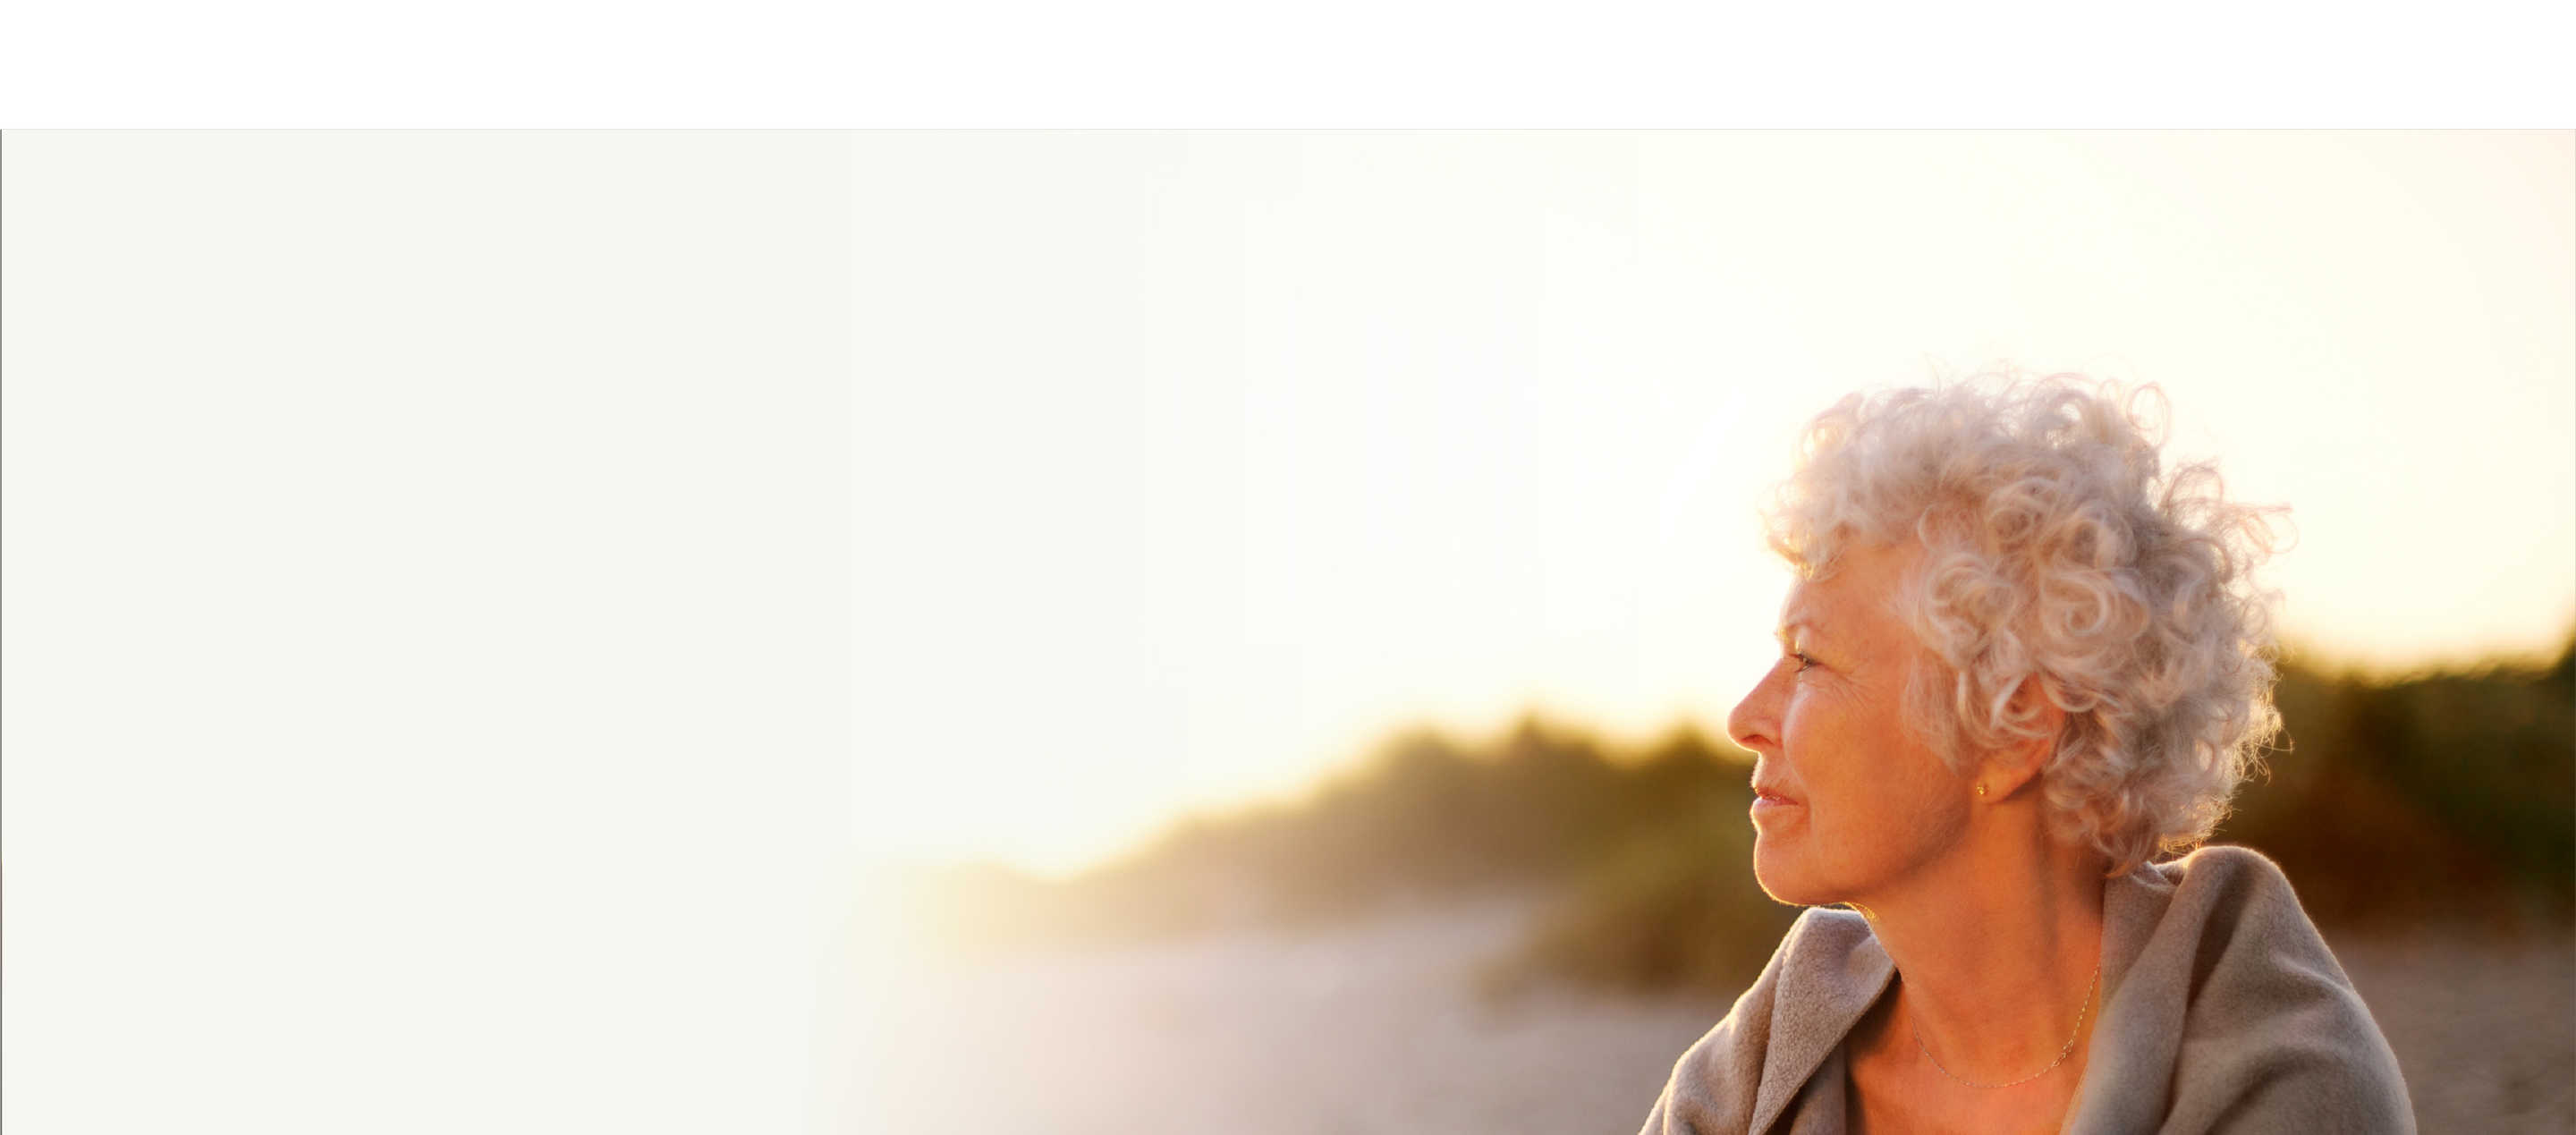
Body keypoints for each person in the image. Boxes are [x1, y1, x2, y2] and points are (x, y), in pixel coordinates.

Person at [1638, 375, 2414, 1134]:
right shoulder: (1766, 1055)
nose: (1745, 718)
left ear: (2013, 726)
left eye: (1810, 660)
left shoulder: (2286, 1082)